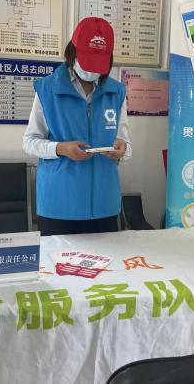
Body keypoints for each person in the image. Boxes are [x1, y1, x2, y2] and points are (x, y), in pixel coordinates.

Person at [23, 17, 131, 236]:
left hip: (104, 205)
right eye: (87, 59)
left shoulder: (116, 92)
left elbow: (124, 142)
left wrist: (122, 149)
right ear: (72, 52)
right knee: (58, 259)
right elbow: (30, 142)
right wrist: (61, 148)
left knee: (107, 258)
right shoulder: (47, 90)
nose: (92, 70)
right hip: (59, 205)